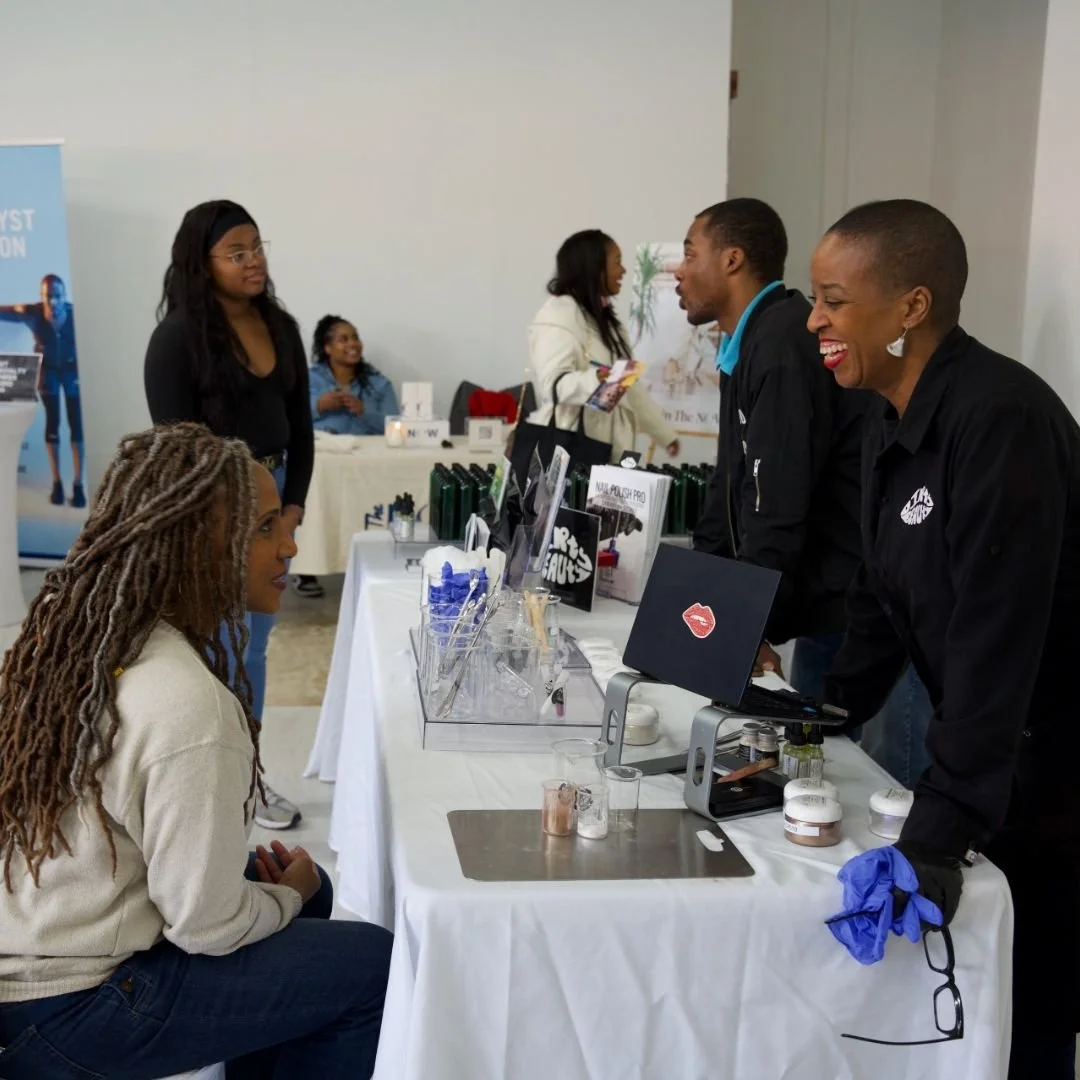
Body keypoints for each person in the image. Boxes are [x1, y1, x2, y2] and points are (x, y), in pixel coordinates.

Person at [0, 424, 392, 1079]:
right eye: (266, 527)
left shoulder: (69, 643)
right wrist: (287, 898)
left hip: (25, 980)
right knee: (368, 963)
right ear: (198, 548)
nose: (291, 545)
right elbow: (204, 930)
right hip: (72, 1011)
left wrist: (284, 896)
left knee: (310, 898)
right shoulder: (188, 703)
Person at [810, 199, 1080, 1078]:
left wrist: (938, 831)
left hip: (1054, 772)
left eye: (833, 301)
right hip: (999, 755)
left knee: (1029, 1010)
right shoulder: (885, 417)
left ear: (911, 308)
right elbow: (879, 602)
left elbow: (997, 643)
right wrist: (812, 721)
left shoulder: (1001, 420)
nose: (814, 321)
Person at [675, 197, 931, 787]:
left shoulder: (783, 340)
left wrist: (742, 621)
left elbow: (777, 502)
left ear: (733, 259)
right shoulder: (746, 346)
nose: (679, 271)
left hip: (855, 603)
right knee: (814, 768)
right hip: (824, 604)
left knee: (869, 784)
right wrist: (711, 601)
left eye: (691, 253)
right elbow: (730, 487)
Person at [144, 200, 312, 830]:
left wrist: (290, 510)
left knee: (256, 651)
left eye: (257, 247)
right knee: (210, 650)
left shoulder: (283, 327)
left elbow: (302, 430)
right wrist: (219, 528)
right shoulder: (178, 338)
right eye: (236, 252)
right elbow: (174, 449)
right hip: (212, 514)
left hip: (270, 508)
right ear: (202, 262)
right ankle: (205, 780)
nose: (253, 261)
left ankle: (250, 777)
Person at [526, 229, 679, 463]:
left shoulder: (606, 323)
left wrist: (665, 435)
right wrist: (597, 378)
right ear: (594, 267)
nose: (624, 270)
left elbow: (629, 388)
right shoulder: (560, 314)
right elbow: (553, 386)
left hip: (610, 453)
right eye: (617, 262)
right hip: (572, 452)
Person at [295, 315, 400, 599]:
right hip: (323, 457)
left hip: (368, 460)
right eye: (344, 339)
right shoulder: (308, 378)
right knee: (317, 492)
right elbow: (290, 417)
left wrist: (363, 410)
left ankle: (378, 558)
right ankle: (308, 567)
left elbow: (396, 425)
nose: (353, 344)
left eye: (355, 337)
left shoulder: (377, 383)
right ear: (327, 347)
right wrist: (319, 405)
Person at [0, 274, 85, 507]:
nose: (53, 302)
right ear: (42, 297)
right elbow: (7, 311)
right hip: (47, 374)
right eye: (48, 297)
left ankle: (78, 485)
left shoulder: (76, 314)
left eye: (57, 296)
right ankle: (57, 483)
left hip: (70, 373)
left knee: (77, 426)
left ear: (64, 296)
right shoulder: (32, 314)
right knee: (53, 425)